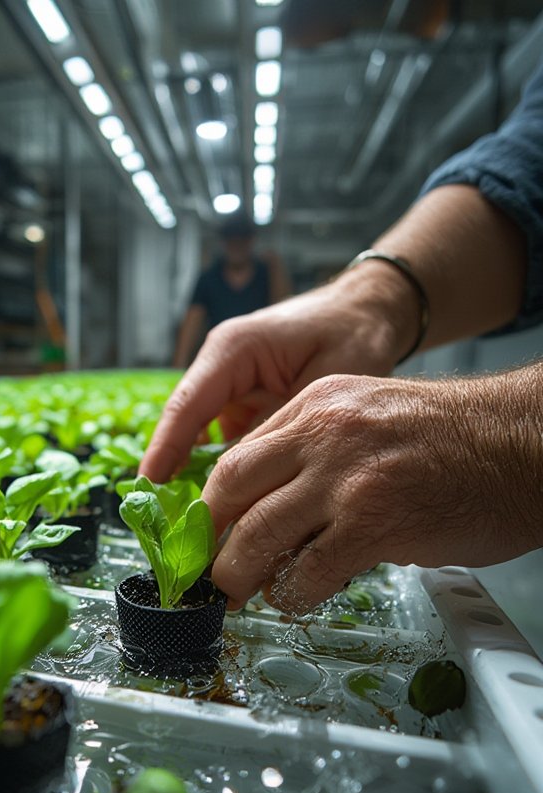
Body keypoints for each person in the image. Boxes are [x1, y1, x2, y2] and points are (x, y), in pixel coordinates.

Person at [141, 62, 543, 616]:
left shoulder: (269, 264)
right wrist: (371, 305)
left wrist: (512, 438)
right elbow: (533, 159)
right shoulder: (210, 276)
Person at [172, 212, 291, 368]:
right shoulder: (209, 278)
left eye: (241, 240)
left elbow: (283, 310)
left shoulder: (267, 274)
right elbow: (192, 321)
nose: (236, 246)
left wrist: (276, 269)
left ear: (251, 241)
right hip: (218, 356)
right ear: (224, 242)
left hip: (260, 357)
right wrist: (178, 364)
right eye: (231, 240)